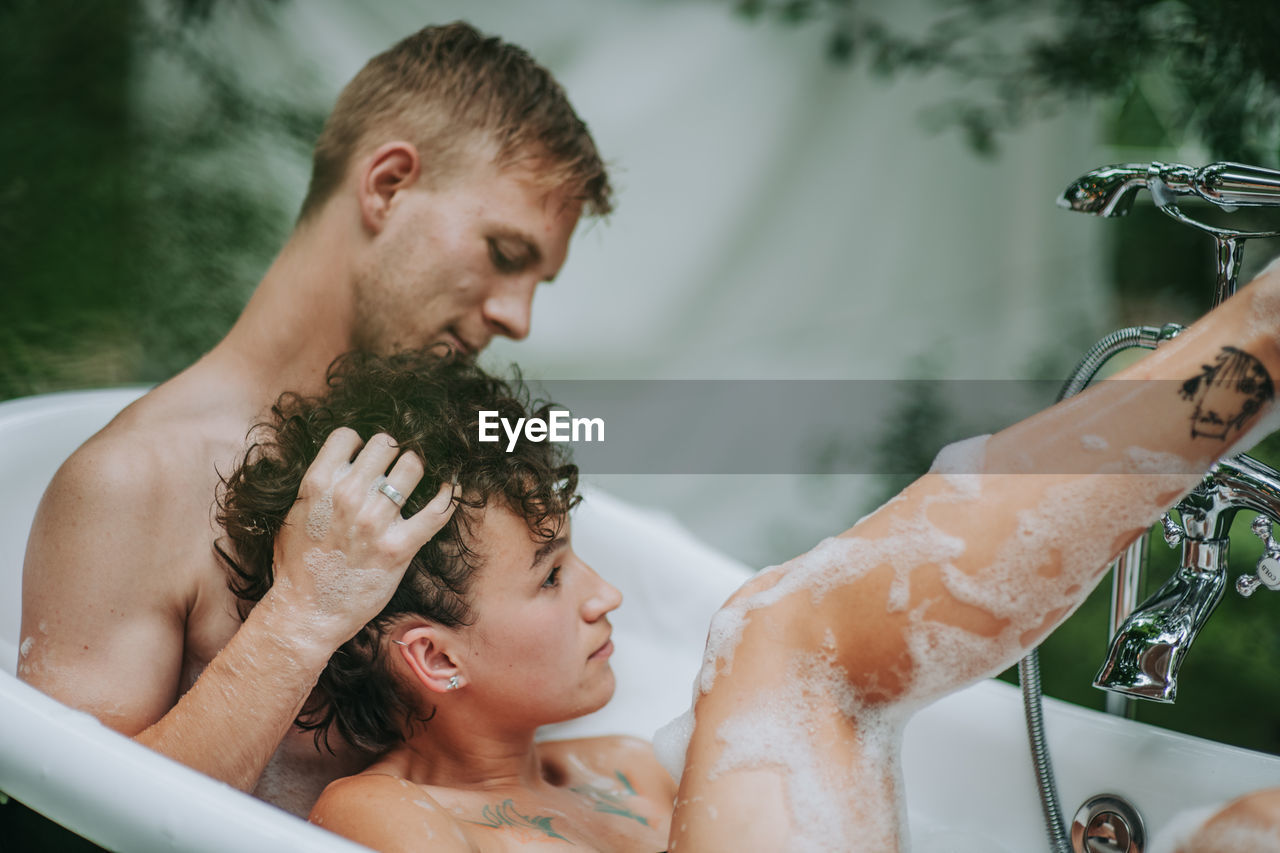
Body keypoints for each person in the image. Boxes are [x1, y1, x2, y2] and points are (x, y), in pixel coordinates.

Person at [226, 265, 1280, 852]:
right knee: (774, 632)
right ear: (436, 659)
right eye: (551, 575)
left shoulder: (627, 773)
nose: (606, 596)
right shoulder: (376, 817)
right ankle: (1257, 343)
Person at [17, 21, 612, 816]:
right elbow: (68, 821)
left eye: (538, 279)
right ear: (388, 184)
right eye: (505, 254)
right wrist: (299, 616)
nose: (517, 318)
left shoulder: (459, 452)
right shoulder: (136, 484)